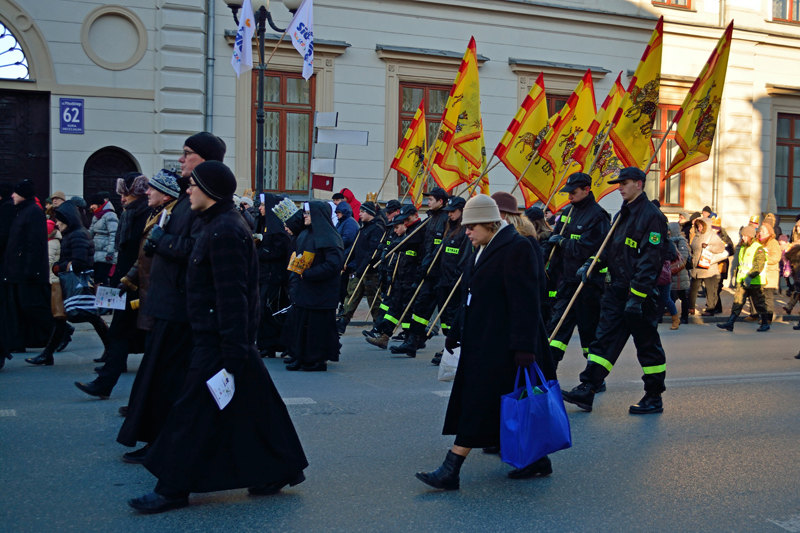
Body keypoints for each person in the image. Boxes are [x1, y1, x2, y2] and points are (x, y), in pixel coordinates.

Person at [128, 161, 308, 513]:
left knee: (190, 414)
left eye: (192, 185)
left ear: (209, 190)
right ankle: (281, 467)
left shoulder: (225, 230)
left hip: (221, 340)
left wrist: (231, 352)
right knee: (259, 407)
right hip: (220, 337)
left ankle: (172, 488)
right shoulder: (213, 224)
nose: (188, 190)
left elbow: (233, 296)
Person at [415, 195, 555, 490]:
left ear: (491, 224)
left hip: (505, 345)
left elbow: (526, 302)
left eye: (471, 226)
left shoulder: (517, 247)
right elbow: (471, 295)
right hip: (482, 339)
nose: (466, 231)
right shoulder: (481, 245)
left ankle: (450, 470)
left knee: (477, 403)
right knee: (499, 404)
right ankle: (537, 459)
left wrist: (525, 347)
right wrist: (455, 330)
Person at [561, 167, 668, 415]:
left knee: (647, 346)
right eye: (619, 183)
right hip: (615, 291)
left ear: (639, 184)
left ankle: (654, 396)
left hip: (638, 297)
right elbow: (609, 248)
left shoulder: (651, 216)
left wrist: (637, 297)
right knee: (603, 341)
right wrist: (592, 263)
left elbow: (650, 261)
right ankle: (588, 388)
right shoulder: (623, 213)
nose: (619, 187)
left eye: (625, 183)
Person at [75, 173, 151, 395]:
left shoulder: (145, 213)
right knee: (121, 332)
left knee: (126, 333)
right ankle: (106, 383)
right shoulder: (132, 213)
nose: (122, 199)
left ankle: (109, 384)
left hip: (134, 284)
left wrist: (127, 278)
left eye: (125, 193)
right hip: (124, 282)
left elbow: (142, 254)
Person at [539, 173, 610, 371]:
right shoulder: (567, 212)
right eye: (568, 192)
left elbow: (589, 249)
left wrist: (563, 242)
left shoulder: (598, 216)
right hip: (567, 282)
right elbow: (553, 243)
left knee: (589, 332)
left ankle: (593, 375)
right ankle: (547, 371)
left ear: (587, 190)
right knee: (556, 328)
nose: (569, 197)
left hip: (587, 284)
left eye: (574, 192)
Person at [26, 200, 111, 365]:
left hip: (79, 283)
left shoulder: (77, 234)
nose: (56, 224)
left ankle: (111, 350)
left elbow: (79, 262)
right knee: (63, 318)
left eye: (58, 220)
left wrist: (59, 267)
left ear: (68, 219)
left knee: (90, 316)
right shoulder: (73, 233)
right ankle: (47, 354)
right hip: (76, 282)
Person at [281, 201, 344, 372]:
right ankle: (300, 357)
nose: (305, 216)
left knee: (316, 330)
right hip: (305, 290)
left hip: (321, 293)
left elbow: (334, 265)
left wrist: (308, 274)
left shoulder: (330, 237)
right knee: (301, 326)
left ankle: (316, 360)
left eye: (308, 213)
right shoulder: (304, 234)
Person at [392, 187, 450, 356]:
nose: (427, 202)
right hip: (428, 272)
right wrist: (398, 246)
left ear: (440, 201)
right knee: (420, 308)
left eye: (431, 199)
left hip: (441, 273)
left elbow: (441, 248)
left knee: (446, 314)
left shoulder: (447, 220)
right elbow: (418, 240)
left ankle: (450, 348)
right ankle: (412, 342)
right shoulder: (430, 219)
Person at [1, 180, 54, 354]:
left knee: (30, 305)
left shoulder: (33, 212)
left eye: (16, 193)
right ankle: (18, 342)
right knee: (18, 307)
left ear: (22, 194)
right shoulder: (22, 212)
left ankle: (60, 330)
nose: (12, 196)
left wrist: (32, 269)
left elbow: (35, 243)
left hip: (27, 271)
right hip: (16, 269)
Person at [365, 205, 424, 350]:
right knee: (395, 308)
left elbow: (410, 251)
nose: (403, 224)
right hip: (401, 277)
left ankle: (413, 339)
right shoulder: (408, 231)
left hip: (412, 278)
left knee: (407, 311)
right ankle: (384, 336)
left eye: (406, 220)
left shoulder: (419, 231)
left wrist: (391, 247)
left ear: (415, 216)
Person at [430, 196, 468, 366]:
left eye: (453, 211)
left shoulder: (465, 231)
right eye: (448, 211)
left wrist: (456, 280)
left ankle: (455, 349)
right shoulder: (449, 229)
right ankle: (450, 345)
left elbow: (464, 260)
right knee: (445, 318)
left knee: (454, 318)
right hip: (443, 281)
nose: (450, 214)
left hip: (455, 284)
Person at [338, 201, 387, 333]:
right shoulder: (363, 227)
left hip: (371, 271)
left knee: (374, 300)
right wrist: (346, 261)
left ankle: (378, 327)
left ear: (370, 213)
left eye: (362, 211)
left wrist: (361, 269)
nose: (359, 213)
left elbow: (372, 252)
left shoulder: (377, 228)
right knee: (351, 296)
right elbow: (356, 247)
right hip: (358, 269)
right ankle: (342, 322)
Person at [253, 193, 291, 358]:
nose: (259, 208)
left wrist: (259, 251)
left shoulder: (278, 228)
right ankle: (266, 344)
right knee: (263, 310)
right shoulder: (264, 224)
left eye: (262, 205)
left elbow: (278, 251)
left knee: (268, 310)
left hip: (273, 276)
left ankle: (271, 345)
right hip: (264, 275)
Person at [717, 225, 770, 332]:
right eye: (742, 236)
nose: (743, 238)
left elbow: (758, 266)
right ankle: (730, 323)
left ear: (751, 236)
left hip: (754, 281)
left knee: (759, 303)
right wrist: (737, 278)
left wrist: (750, 277)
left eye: (745, 236)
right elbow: (741, 265)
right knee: (737, 302)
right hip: (742, 281)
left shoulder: (757, 248)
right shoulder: (743, 247)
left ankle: (765, 323)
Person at [688, 217, 725, 316]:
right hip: (697, 267)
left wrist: (709, 247)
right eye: (698, 226)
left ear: (706, 226)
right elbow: (693, 249)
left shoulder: (712, 236)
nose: (699, 228)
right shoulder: (696, 236)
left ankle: (710, 309)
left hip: (709, 268)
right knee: (693, 288)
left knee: (710, 290)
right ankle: (690, 307)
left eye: (700, 226)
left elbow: (721, 247)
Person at [88, 192, 118, 287]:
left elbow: (114, 234)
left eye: (93, 204)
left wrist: (110, 252)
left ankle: (104, 300)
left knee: (102, 279)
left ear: (99, 204)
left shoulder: (110, 215)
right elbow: (91, 232)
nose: (91, 206)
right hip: (97, 253)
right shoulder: (96, 216)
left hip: (105, 254)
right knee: (97, 279)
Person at [668, 222, 691, 325]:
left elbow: (684, 258)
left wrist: (672, 266)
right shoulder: (669, 241)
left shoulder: (681, 241)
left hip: (680, 274)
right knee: (671, 297)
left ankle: (684, 318)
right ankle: (675, 317)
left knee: (683, 298)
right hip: (672, 274)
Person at [758, 222, 781, 323]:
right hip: (760, 274)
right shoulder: (759, 242)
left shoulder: (773, 243)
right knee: (762, 298)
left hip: (770, 274)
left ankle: (768, 318)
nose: (760, 233)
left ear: (769, 233)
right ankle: (763, 317)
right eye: (760, 231)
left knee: (768, 297)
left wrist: (764, 258)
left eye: (763, 231)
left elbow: (776, 258)